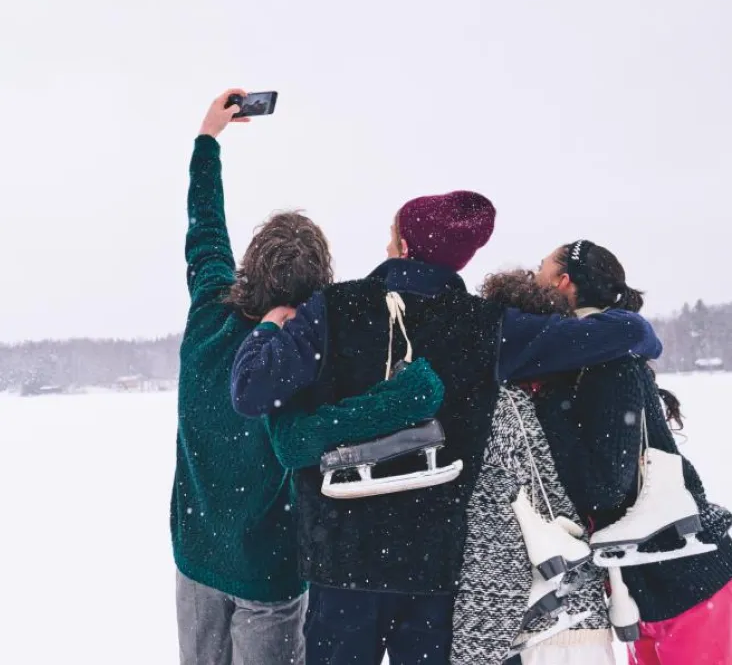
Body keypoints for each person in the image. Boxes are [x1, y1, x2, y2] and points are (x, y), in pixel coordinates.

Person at [231, 198, 663, 665]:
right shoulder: (486, 326)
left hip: (342, 555)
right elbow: (619, 335)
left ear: (404, 244)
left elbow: (251, 392)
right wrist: (638, 328)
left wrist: (267, 330)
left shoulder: (335, 308)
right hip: (433, 564)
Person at [171, 89, 333, 665]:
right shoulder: (307, 357)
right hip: (268, 571)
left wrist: (207, 141)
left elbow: (205, 228)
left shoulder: (209, 310)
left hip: (196, 553)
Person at [529, 241, 732, 665]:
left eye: (542, 268)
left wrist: (549, 407)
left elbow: (605, 486)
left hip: (687, 580)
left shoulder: (609, 364)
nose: (534, 276)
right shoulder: (590, 357)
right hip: (652, 582)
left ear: (564, 282)